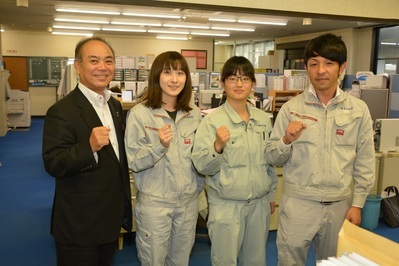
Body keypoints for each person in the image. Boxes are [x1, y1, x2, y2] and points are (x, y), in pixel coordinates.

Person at [265, 33, 375, 265]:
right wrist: (286, 139)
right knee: (289, 261)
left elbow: (365, 160)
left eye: (329, 63)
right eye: (314, 64)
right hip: (299, 205)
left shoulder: (358, 110)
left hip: (340, 206)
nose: (321, 70)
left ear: (342, 67)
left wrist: (358, 203)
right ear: (306, 68)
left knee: (334, 262)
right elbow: (272, 155)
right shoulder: (291, 109)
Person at [42, 36, 132, 266]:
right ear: (78, 67)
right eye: (94, 60)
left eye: (108, 61)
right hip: (79, 225)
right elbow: (53, 163)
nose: (103, 67)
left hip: (109, 219)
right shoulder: (62, 110)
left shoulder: (114, 105)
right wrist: (88, 147)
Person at [191, 56, 278, 265]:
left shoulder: (262, 119)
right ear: (222, 83)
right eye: (232, 78)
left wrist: (271, 194)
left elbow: (268, 162)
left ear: (252, 84)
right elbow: (201, 165)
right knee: (225, 261)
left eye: (245, 79)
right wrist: (217, 146)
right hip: (226, 206)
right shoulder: (212, 120)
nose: (239, 84)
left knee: (256, 261)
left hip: (259, 204)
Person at [124, 51, 202, 266]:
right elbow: (134, 161)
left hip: (187, 204)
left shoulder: (194, 113)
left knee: (180, 261)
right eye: (167, 72)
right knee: (153, 261)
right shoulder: (140, 113)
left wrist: (197, 186)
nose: (175, 79)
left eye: (180, 73)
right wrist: (159, 146)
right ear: (157, 76)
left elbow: (199, 158)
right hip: (155, 205)